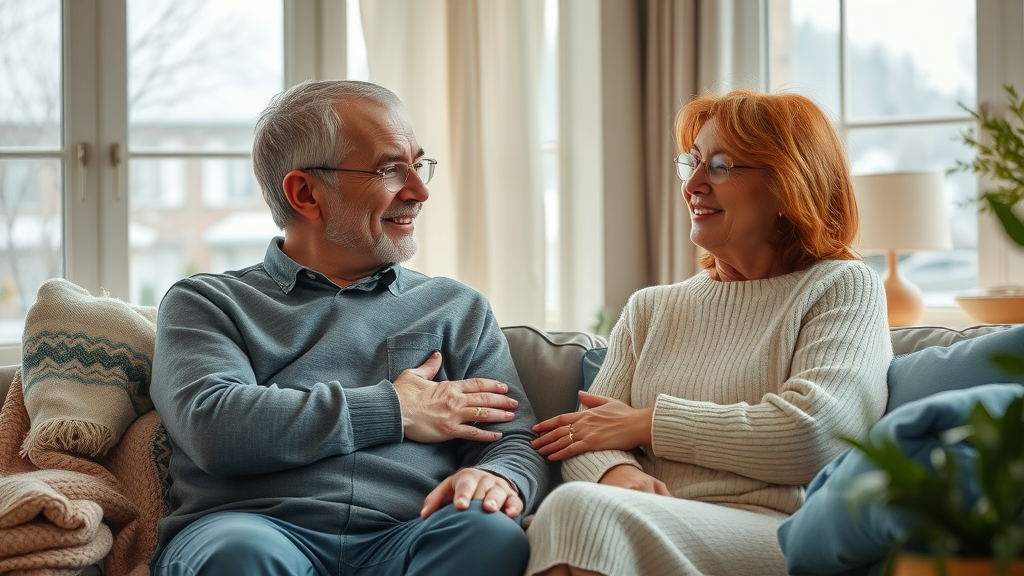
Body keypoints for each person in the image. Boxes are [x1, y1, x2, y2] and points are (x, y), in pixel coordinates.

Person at [149, 79, 547, 576]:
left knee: (488, 533)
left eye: (419, 165)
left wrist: (500, 480)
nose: (420, 191)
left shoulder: (456, 307)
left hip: (411, 534)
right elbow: (215, 426)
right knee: (238, 556)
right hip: (253, 528)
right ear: (305, 193)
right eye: (390, 170)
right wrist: (394, 408)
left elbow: (513, 439)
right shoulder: (207, 302)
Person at [524, 90, 893, 576]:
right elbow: (589, 434)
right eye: (692, 162)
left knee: (574, 512)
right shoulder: (652, 308)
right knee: (575, 510)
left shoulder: (842, 286)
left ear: (788, 185)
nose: (693, 184)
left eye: (720, 166)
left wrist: (647, 423)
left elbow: (815, 433)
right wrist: (620, 472)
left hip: (780, 531)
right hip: (655, 516)